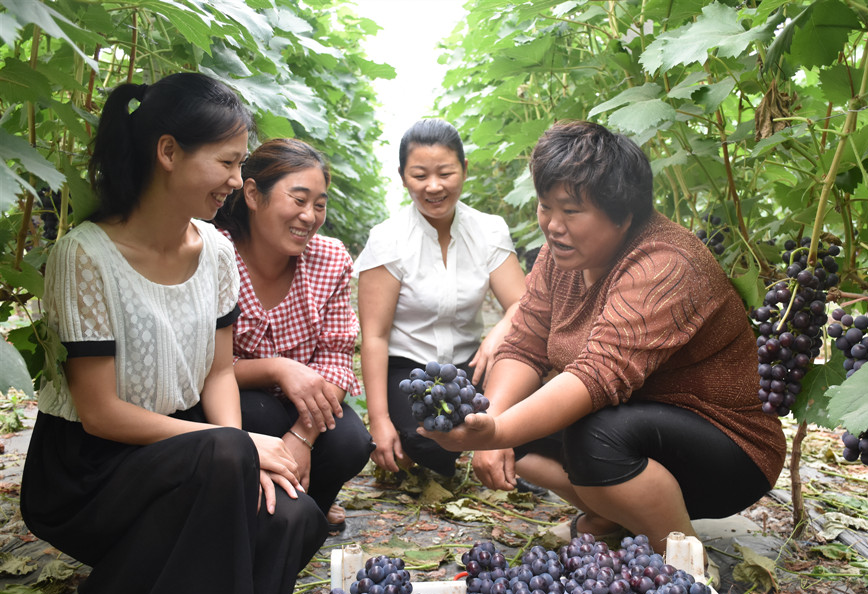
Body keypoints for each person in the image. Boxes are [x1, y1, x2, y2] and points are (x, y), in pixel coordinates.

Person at [18, 73, 329, 594]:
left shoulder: (216, 251)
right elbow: (98, 413)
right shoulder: (85, 255)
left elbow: (218, 373)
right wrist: (237, 447)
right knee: (234, 453)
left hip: (184, 450)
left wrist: (240, 461)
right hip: (89, 468)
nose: (236, 181)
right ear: (168, 152)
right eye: (227, 162)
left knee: (293, 517)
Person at [422, 121, 787, 549]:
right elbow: (523, 344)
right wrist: (490, 421)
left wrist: (499, 433)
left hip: (729, 450)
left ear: (623, 215)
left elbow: (597, 375)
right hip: (634, 422)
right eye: (545, 206)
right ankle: (611, 518)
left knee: (594, 435)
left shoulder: (665, 264)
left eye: (571, 211)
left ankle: (681, 558)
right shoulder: (558, 258)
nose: (552, 225)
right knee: (503, 402)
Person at [214, 138, 374, 533]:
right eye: (299, 200)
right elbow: (203, 366)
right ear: (253, 194)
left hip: (304, 406)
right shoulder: (215, 254)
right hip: (236, 401)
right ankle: (246, 513)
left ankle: (307, 512)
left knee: (350, 440)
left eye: (319, 205)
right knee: (259, 413)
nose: (309, 216)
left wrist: (302, 437)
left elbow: (336, 359)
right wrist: (277, 368)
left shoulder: (329, 259)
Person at [355, 118, 526, 478]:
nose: (433, 186)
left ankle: (500, 444)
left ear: (464, 169)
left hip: (471, 366)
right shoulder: (388, 239)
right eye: (419, 175)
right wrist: (379, 421)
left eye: (445, 173)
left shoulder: (488, 230)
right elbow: (375, 337)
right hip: (410, 372)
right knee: (424, 441)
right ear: (403, 177)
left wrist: (498, 333)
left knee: (532, 416)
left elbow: (522, 303)